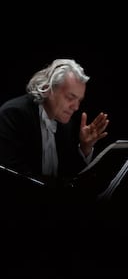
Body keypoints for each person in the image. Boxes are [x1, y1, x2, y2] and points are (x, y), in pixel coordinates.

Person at [0, 58, 109, 187]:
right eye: (70, 97)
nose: (76, 107)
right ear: (47, 88)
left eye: (79, 100)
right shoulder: (13, 114)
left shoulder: (65, 124)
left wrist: (85, 147)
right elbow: (13, 177)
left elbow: (70, 176)